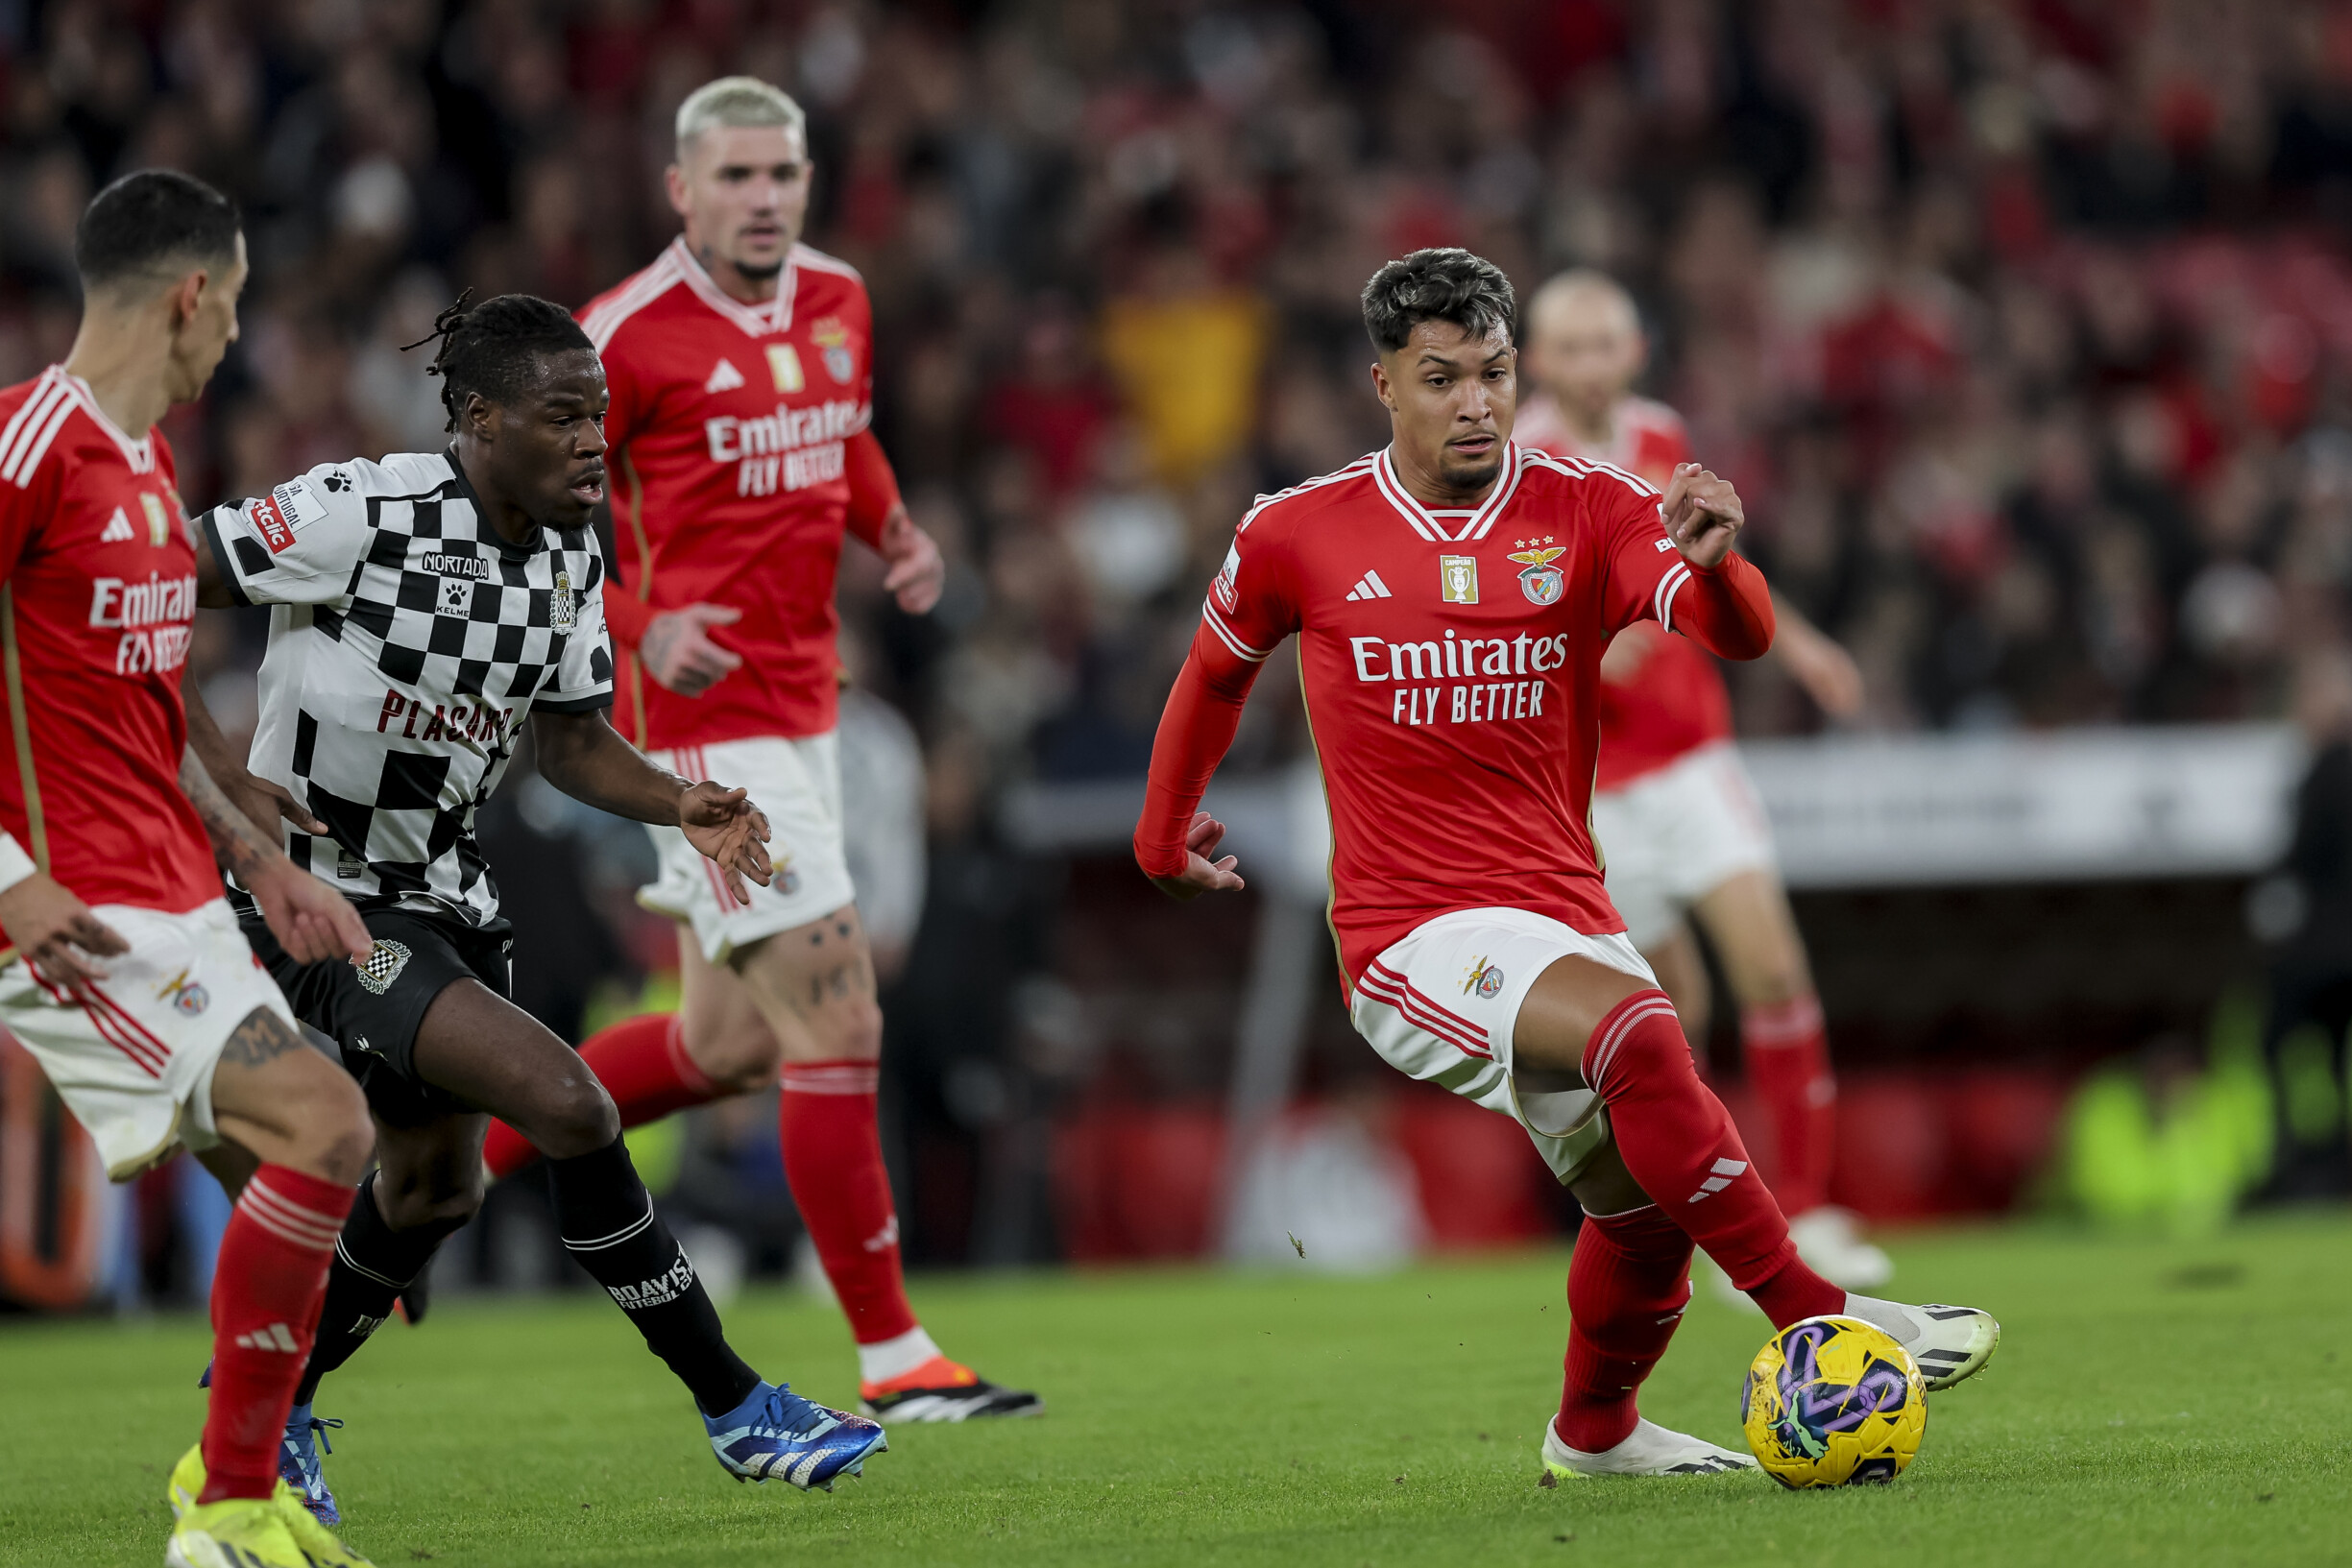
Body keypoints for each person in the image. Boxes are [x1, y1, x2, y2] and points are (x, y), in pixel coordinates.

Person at [1133, 249, 1998, 1479]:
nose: (1475, 400)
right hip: (1408, 937)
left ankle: (1594, 1433)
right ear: (1383, 382)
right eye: (1442, 378)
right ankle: (1819, 1314)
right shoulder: (1295, 532)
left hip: (1558, 912)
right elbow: (1213, 675)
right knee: (1644, 1035)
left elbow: (1729, 634)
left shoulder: (1586, 504)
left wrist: (1721, 563)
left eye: (1493, 372)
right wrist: (1159, 836)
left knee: (1643, 1214)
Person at [183, 292, 887, 1522]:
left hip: (452, 897)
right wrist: (220, 775)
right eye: (562, 418)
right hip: (328, 904)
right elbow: (137, 586)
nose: (588, 444)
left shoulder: (570, 550)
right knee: (572, 1103)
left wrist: (681, 802)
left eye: (598, 417)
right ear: (478, 418)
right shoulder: (362, 508)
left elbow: (568, 745)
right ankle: (736, 1406)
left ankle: (267, 1409)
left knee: (434, 1193)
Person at [472, 76, 1037, 1422]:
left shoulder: (840, 298)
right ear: (681, 190)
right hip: (705, 728)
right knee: (840, 1005)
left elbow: (844, 442)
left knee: (726, 1043)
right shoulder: (615, 339)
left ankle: (440, 1149)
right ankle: (898, 1357)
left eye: (781, 173)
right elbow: (520, 517)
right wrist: (641, 622)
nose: (764, 197)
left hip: (810, 707)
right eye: (733, 177)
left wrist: (889, 531)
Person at [0, 168, 381, 1568]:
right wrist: (8, 886)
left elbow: (141, 711)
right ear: (191, 295)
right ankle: (221, 1515)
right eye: (236, 303)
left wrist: (260, 860)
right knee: (327, 1129)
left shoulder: (152, 464)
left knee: (329, 1183)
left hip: (182, 900)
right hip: (75, 917)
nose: (237, 335)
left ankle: (232, 1483)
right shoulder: (28, 443)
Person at [1516, 268, 1889, 1289]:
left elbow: (1713, 562)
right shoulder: (1517, 471)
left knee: (1771, 965)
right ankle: (1719, 1224)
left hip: (1692, 759)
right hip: (1595, 789)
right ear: (1539, 361)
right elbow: (1503, 637)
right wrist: (1591, 647)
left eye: (1608, 343)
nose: (1593, 363)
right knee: (1670, 1019)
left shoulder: (1660, 438)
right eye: (1572, 346)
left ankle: (1809, 1211)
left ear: (1634, 354)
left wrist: (1802, 645)